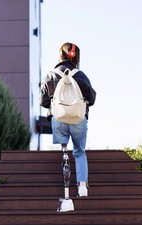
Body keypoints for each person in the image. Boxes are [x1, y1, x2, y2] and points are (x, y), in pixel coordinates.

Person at [40, 42, 97, 197]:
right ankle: (82, 186)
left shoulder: (50, 75)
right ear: (76, 56)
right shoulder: (80, 75)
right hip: (78, 119)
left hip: (59, 119)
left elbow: (43, 102)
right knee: (79, 152)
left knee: (65, 148)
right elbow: (91, 99)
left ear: (60, 55)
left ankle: (65, 171)